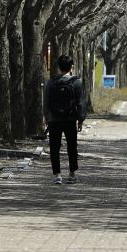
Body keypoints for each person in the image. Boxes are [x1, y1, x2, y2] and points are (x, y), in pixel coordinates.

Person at [42, 54, 86, 185]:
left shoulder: (52, 81)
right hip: (70, 119)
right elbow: (81, 102)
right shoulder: (77, 82)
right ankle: (72, 174)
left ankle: (57, 175)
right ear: (71, 67)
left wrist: (46, 116)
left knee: (54, 147)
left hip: (54, 119)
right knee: (72, 146)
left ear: (58, 66)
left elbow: (46, 100)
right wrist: (81, 119)